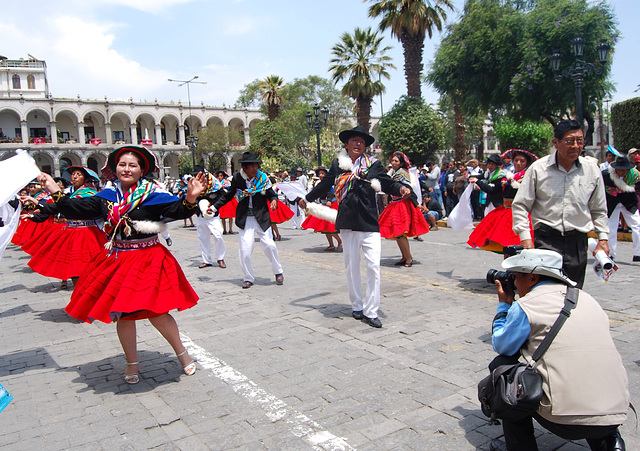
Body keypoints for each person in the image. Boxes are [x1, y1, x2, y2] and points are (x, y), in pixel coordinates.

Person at [37, 145, 203, 384]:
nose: (127, 169)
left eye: (132, 165)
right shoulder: (106, 197)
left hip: (148, 259)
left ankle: (183, 354)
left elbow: (176, 210)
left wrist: (190, 198)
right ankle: (132, 363)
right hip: (119, 260)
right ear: (115, 169)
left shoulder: (152, 194)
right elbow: (76, 208)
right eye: (122, 165)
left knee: (158, 312)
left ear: (141, 169)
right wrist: (53, 188)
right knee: (124, 315)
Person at [488, 249, 628, 451]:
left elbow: (501, 345)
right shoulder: (587, 299)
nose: (515, 284)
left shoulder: (527, 305)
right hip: (615, 414)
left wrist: (504, 306)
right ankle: (609, 443)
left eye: (517, 277)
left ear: (533, 277)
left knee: (503, 370)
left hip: (563, 421)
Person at [299, 126, 411, 328]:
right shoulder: (338, 164)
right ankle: (357, 305)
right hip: (348, 222)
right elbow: (325, 185)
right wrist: (307, 198)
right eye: (354, 141)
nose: (358, 144)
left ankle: (371, 311)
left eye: (362, 141)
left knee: (373, 267)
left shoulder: (373, 165)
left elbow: (387, 183)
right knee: (351, 267)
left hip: (369, 222)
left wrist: (402, 188)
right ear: (346, 144)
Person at [512, 120, 609, 288]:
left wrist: (603, 238)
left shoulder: (592, 171)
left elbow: (599, 209)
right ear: (556, 142)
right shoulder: (538, 169)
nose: (575, 146)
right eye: (570, 141)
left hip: (577, 242)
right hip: (546, 241)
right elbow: (520, 205)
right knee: (546, 292)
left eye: (579, 141)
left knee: (573, 292)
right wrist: (526, 238)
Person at [209, 151, 284, 289]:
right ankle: (248, 277)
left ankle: (278, 271)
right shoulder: (238, 179)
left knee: (270, 245)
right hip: (245, 219)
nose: (255, 169)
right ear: (245, 168)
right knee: (245, 249)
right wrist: (213, 208)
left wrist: (274, 200)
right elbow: (228, 195)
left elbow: (272, 194)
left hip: (261, 217)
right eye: (252, 166)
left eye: (256, 166)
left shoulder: (263, 178)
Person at [26, 166, 106, 290]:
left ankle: (86, 295)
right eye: (73, 174)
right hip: (73, 234)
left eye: (78, 174)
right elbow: (53, 208)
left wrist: (54, 190)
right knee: (74, 269)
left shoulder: (90, 194)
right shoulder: (71, 194)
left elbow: (72, 206)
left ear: (86, 178)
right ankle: (78, 296)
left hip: (87, 234)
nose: (74, 176)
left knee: (88, 269)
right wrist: (35, 204)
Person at [468, 150, 537, 253]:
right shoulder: (510, 175)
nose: (518, 163)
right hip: (506, 210)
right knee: (506, 244)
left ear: (527, 163)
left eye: (522, 161)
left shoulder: (528, 176)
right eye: (516, 160)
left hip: (521, 212)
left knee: (518, 242)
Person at [377, 151, 429, 267]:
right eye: (392, 160)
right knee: (398, 234)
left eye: (396, 161)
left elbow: (408, 188)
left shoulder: (401, 173)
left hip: (401, 205)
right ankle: (404, 256)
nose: (393, 162)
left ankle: (408, 257)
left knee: (400, 233)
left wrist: (416, 203)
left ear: (401, 163)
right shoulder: (395, 172)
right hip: (395, 203)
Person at [601, 156, 640, 262]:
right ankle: (611, 254)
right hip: (612, 203)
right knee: (611, 229)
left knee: (637, 225)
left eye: (625, 170)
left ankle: (638, 253)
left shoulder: (634, 175)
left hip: (628, 202)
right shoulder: (605, 175)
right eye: (620, 169)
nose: (623, 172)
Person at [301, 167, 342, 251]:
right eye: (319, 174)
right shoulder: (318, 183)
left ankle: (340, 241)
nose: (320, 175)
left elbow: (330, 191)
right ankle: (331, 244)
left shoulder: (329, 183)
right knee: (325, 228)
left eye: (322, 173)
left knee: (330, 227)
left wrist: (329, 200)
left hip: (329, 204)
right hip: (322, 204)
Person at [195, 172, 227, 269]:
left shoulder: (215, 185)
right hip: (201, 215)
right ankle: (206, 260)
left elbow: (223, 197)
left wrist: (212, 205)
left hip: (213, 215)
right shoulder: (195, 185)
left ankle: (220, 258)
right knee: (203, 237)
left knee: (218, 235)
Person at [215, 170, 237, 235]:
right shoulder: (217, 183)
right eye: (219, 176)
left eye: (221, 176)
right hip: (221, 199)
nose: (220, 177)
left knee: (230, 214)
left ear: (224, 176)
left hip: (228, 199)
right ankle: (224, 229)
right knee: (222, 216)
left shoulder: (227, 182)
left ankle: (230, 229)